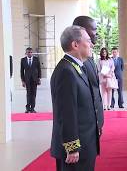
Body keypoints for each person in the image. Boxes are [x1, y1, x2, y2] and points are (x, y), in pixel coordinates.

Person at [50, 25, 99, 171]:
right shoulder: (67, 71)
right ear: (75, 44)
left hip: (85, 144)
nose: (91, 44)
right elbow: (66, 113)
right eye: (88, 40)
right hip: (76, 149)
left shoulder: (76, 67)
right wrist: (72, 147)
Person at [73, 16, 104, 136]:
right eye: (94, 29)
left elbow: (95, 91)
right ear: (83, 31)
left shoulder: (88, 57)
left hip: (92, 124)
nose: (96, 33)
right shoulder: (76, 62)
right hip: (83, 128)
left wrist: (98, 122)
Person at [20, 47, 41, 113]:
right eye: (28, 52)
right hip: (27, 80)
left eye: (31, 52)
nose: (30, 53)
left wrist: (39, 78)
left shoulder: (36, 59)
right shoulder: (23, 60)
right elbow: (21, 71)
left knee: (34, 94)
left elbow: (39, 69)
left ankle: (32, 108)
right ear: (26, 53)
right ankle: (27, 108)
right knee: (28, 93)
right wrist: (23, 81)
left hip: (35, 79)